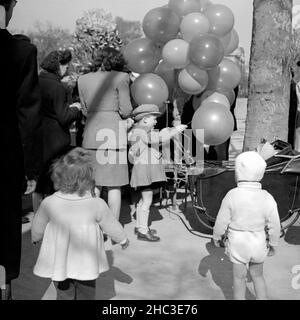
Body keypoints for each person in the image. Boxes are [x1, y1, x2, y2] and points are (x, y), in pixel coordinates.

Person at [31, 148, 129, 300]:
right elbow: (110, 224)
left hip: (60, 262)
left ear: (57, 178)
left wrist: (35, 237)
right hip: (86, 262)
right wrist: (122, 238)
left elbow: (38, 224)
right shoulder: (96, 203)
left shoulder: (49, 202)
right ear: (88, 179)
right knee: (86, 293)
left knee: (64, 293)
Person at [0, 0, 42, 299]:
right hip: (4, 158)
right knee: (3, 235)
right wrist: (30, 167)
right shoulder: (19, 51)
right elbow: (28, 115)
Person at [213, 151, 281, 300]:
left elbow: (221, 220)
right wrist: (274, 243)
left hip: (238, 243)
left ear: (238, 173)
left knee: (239, 279)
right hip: (258, 242)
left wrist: (217, 236)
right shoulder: (267, 197)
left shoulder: (232, 195)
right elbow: (275, 224)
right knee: (258, 276)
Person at [78, 47, 133, 222]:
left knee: (94, 184)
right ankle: (113, 228)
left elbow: (85, 110)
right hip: (113, 135)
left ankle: (92, 225)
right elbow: (126, 110)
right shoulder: (121, 77)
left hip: (91, 134)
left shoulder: (82, 79)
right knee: (114, 185)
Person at [32, 50, 82, 213]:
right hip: (56, 141)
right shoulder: (57, 86)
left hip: (38, 137)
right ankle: (55, 222)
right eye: (65, 66)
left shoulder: (36, 82)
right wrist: (76, 109)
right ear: (57, 66)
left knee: (40, 185)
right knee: (57, 184)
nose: (66, 70)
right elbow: (64, 117)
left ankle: (38, 224)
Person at [128, 104, 187, 242]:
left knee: (143, 200)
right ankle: (143, 231)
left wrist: (168, 130)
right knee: (147, 200)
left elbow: (155, 137)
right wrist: (175, 130)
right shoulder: (140, 132)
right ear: (144, 120)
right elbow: (156, 138)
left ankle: (139, 226)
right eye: (153, 118)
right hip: (145, 170)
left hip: (145, 169)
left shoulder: (140, 131)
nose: (156, 121)